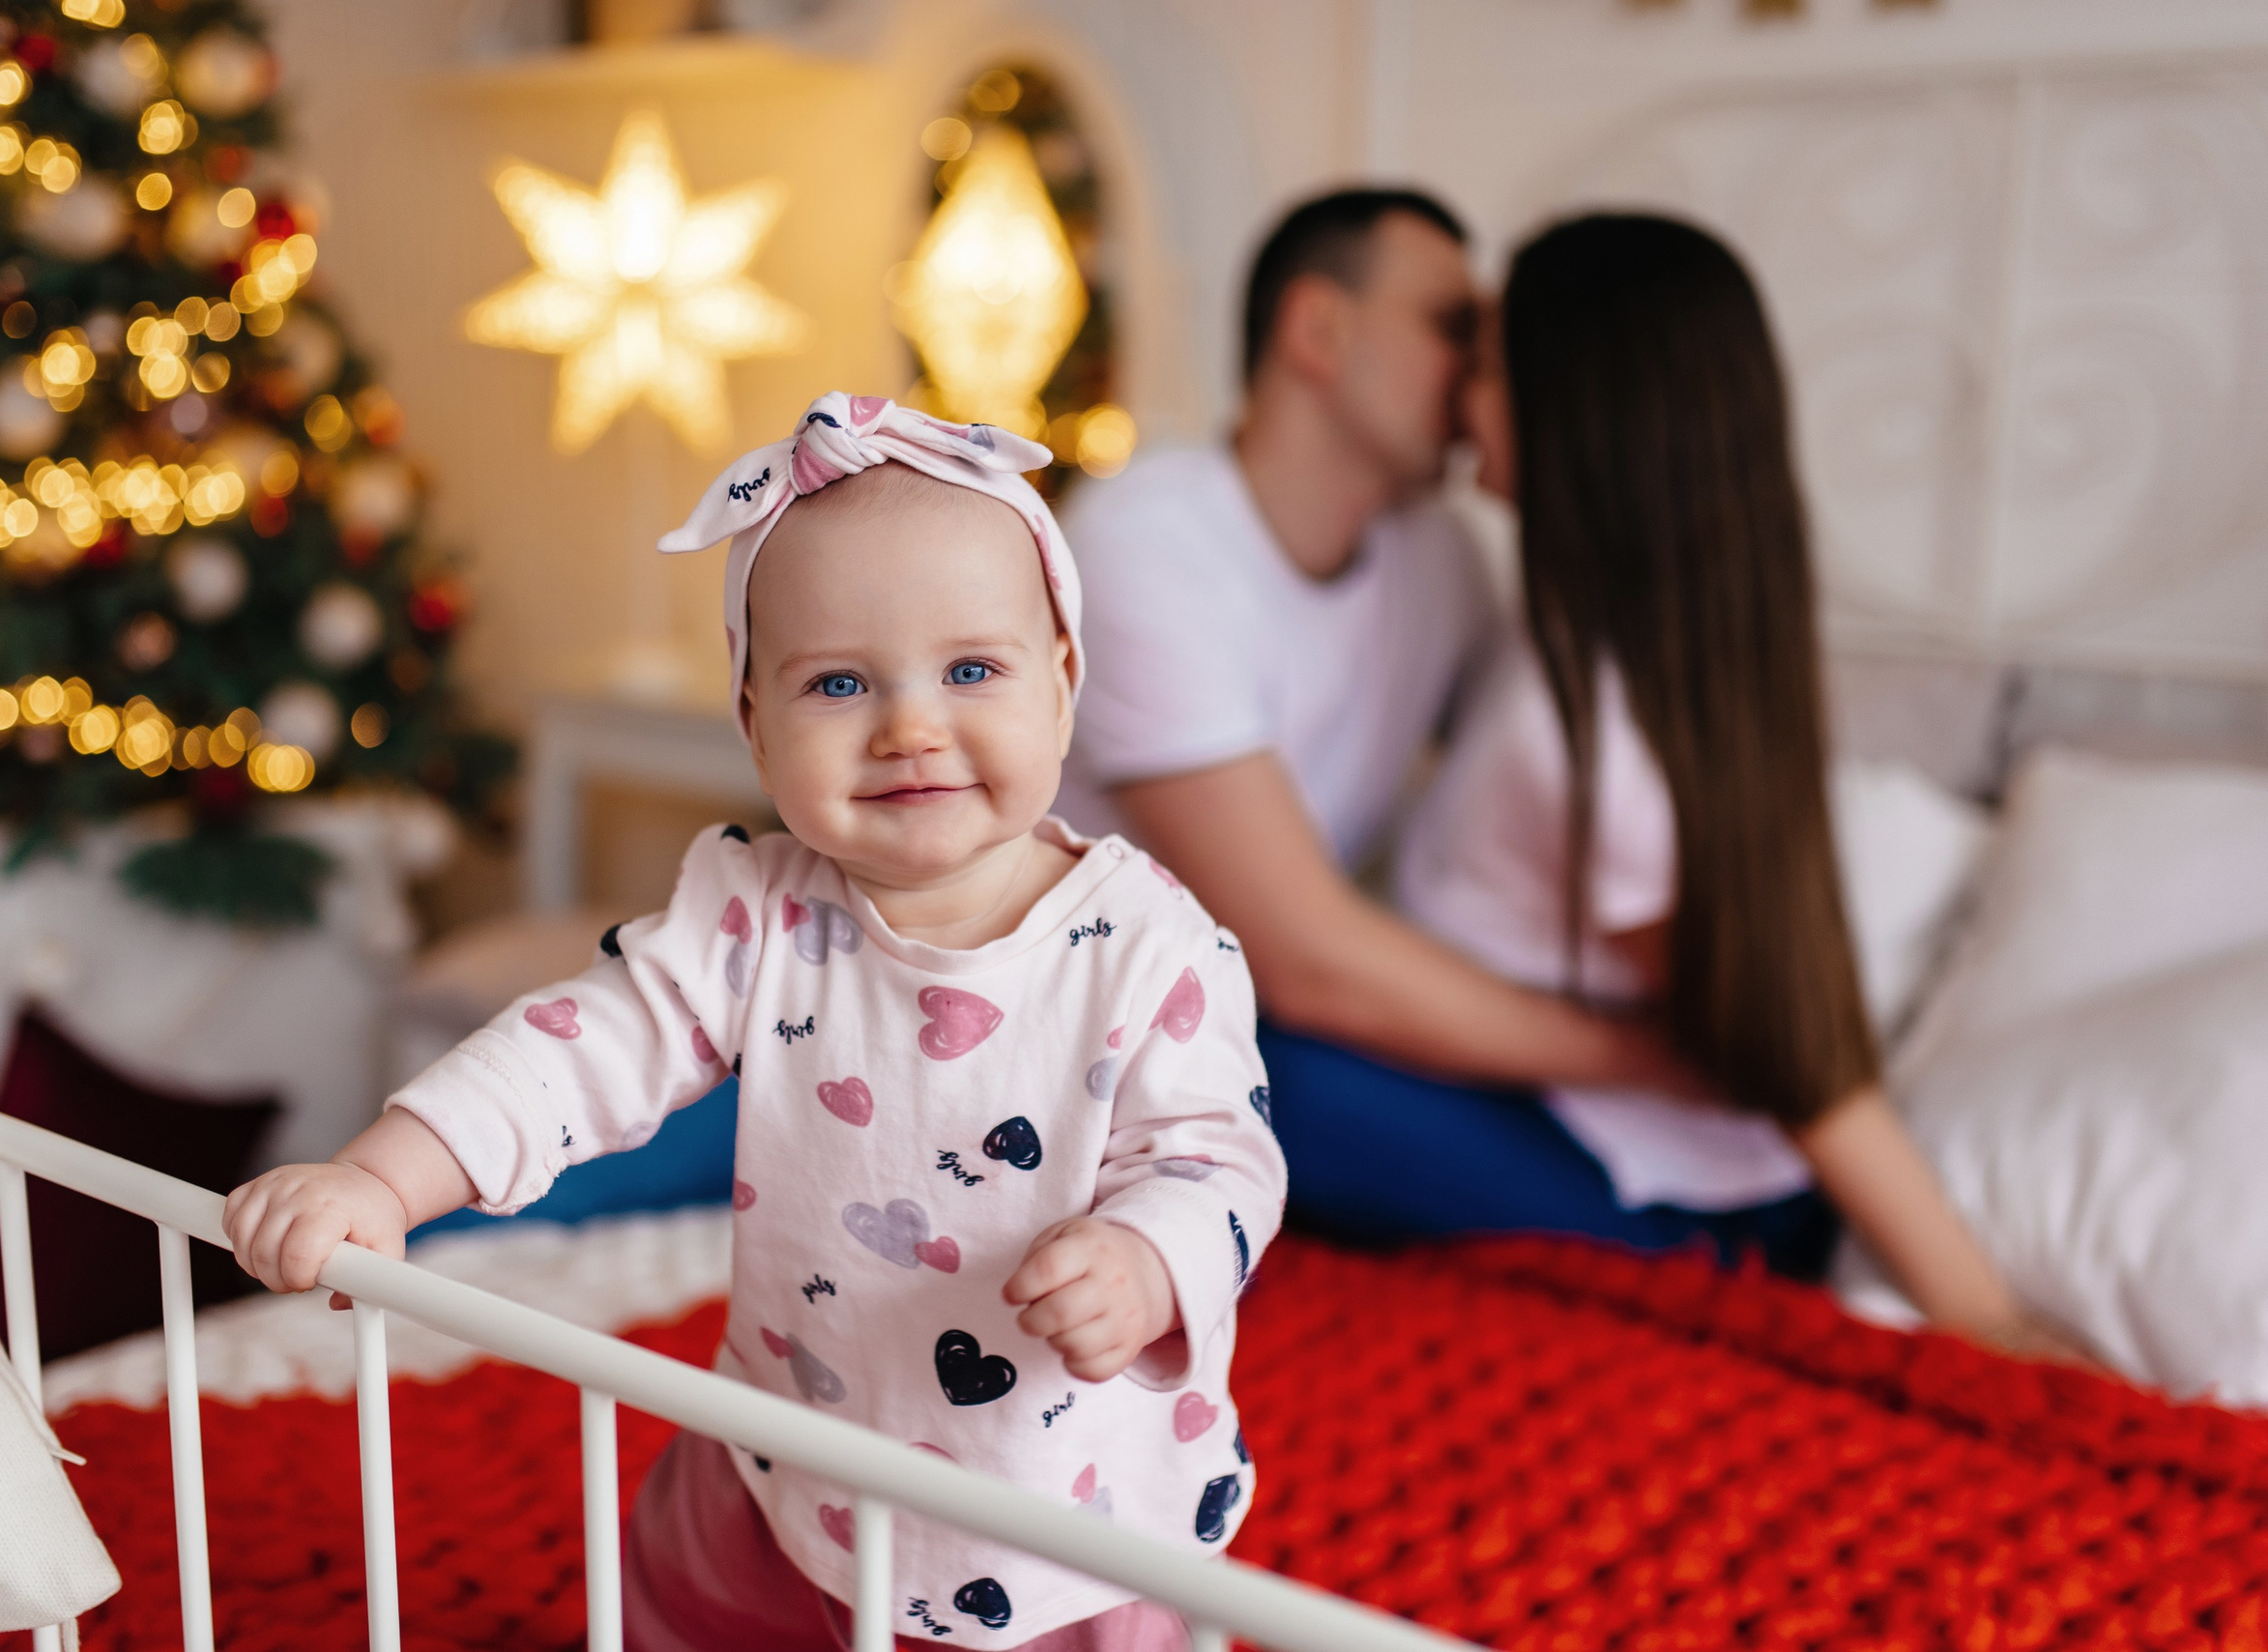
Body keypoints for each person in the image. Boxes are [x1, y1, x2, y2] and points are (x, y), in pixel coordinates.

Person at [221, 393, 1285, 1652]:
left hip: (1047, 1509)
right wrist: (382, 1179)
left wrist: (1148, 1259)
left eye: (971, 669)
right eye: (838, 681)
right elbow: (580, 1045)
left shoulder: (1152, 944)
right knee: (676, 1606)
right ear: (755, 726)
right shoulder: (757, 914)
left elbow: (1220, 1163)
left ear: (1061, 685)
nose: (910, 725)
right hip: (789, 1445)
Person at [1377, 212, 2062, 1349]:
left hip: (1674, 1193)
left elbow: (1787, 1051)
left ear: (1577, 406)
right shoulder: (1595, 642)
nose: (1459, 401)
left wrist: (1983, 1317)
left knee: (1256, 1069)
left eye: (1490, 365)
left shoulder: (1600, 733)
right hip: (1608, 1133)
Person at [1059, 188, 1703, 1235]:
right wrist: (1649, 1059)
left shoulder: (1439, 555)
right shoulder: (1148, 541)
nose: (1479, 369)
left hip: (1215, 1041)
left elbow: (1565, 770)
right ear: (1318, 329)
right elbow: (1305, 959)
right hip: (1032, 1019)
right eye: (1454, 326)